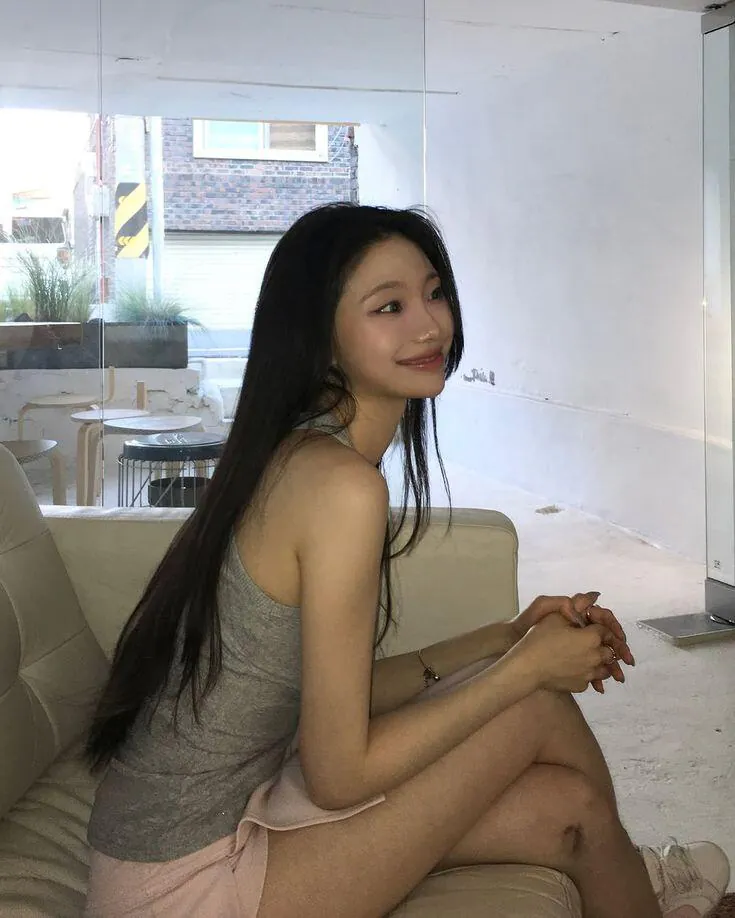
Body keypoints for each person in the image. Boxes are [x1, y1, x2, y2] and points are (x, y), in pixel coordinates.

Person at [83, 203, 729, 918]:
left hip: (221, 818)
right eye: (388, 306)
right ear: (321, 336)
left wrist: (505, 638)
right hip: (184, 881)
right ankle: (641, 883)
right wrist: (526, 669)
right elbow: (339, 774)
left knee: (569, 811)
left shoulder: (299, 450)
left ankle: (631, 880)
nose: (429, 326)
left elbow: (320, 697)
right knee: (532, 704)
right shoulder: (337, 486)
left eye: (434, 293)